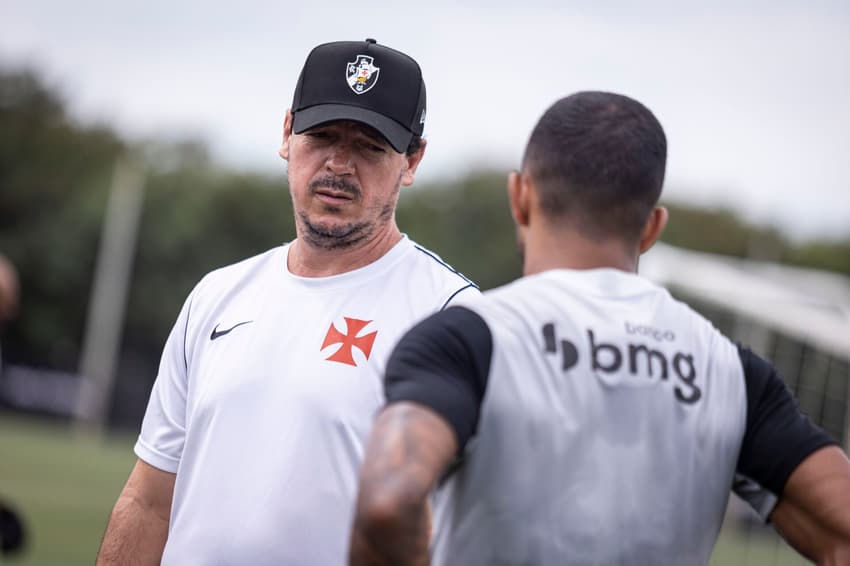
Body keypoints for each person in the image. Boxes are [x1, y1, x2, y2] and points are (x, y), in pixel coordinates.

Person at [349, 91, 850, 565]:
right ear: (652, 227)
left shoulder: (468, 339)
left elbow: (388, 501)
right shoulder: (732, 372)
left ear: (520, 197)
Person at [96, 38, 477, 565]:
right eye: (321, 136)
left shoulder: (451, 316)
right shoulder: (218, 295)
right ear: (286, 134)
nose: (339, 164)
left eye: (370, 147)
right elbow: (148, 502)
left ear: (412, 161)